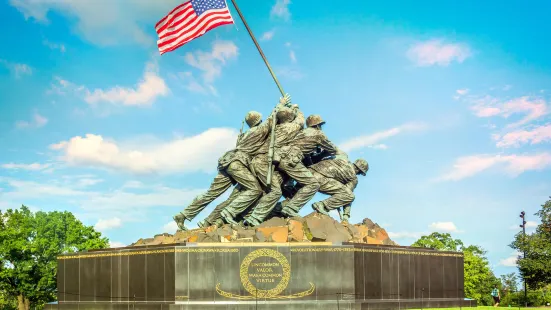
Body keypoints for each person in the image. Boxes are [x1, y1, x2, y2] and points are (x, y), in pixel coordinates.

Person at [174, 95, 291, 230]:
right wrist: (281, 104)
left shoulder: (245, 134)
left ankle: (183, 214)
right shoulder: (258, 131)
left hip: (227, 162)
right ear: (258, 121)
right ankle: (229, 212)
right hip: (237, 163)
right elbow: (272, 119)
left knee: (211, 194)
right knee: (255, 189)